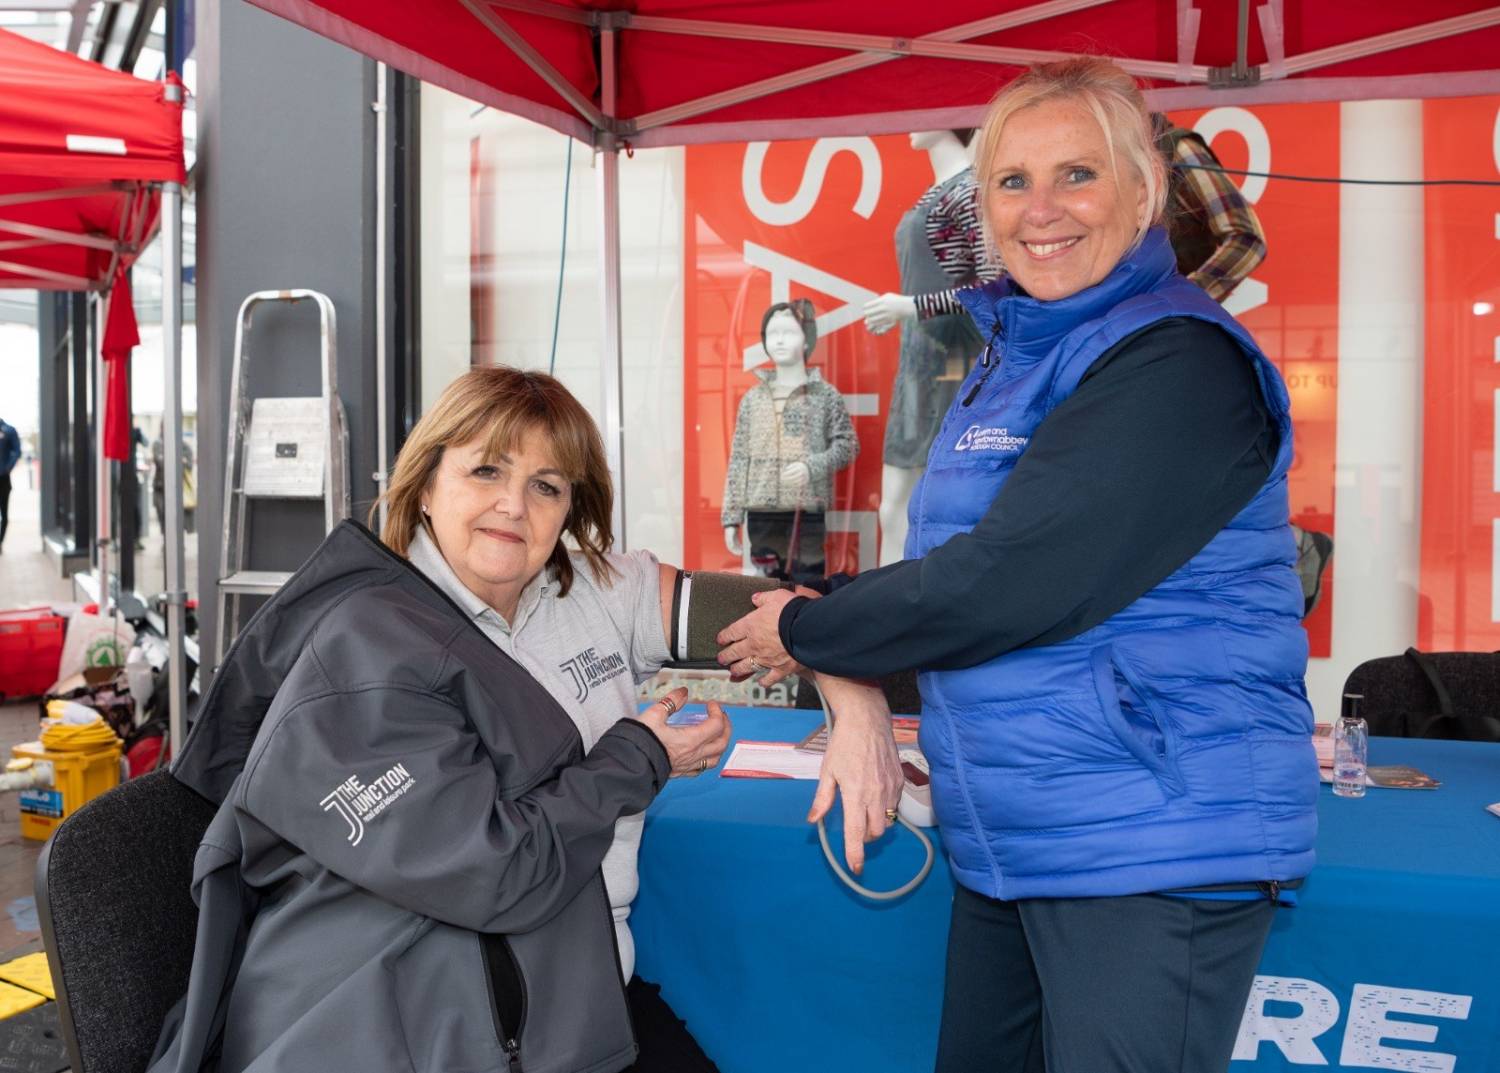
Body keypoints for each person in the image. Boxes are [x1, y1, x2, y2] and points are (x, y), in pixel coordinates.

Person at [718, 57, 1318, 1073]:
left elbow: (1010, 580)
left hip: (1146, 839)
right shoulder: (1015, 353)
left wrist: (810, 627)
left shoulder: (1176, 358)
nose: (1041, 209)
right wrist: (837, 638)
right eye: (1012, 180)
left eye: (1077, 173)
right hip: (1018, 829)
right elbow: (961, 566)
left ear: (1144, 194)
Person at [153, 367, 896, 1073]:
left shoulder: (595, 589)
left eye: (546, 485)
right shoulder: (367, 643)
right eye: (486, 471)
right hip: (445, 1026)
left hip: (578, 990)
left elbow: (785, 619)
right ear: (425, 482)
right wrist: (642, 756)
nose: (514, 504)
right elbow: (494, 870)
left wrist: (855, 701)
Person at [862, 130, 999, 565]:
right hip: (921, 360)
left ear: (947, 120)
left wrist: (910, 306)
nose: (909, 124)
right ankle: (886, 596)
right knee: (893, 505)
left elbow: (992, 286)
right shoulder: (939, 191)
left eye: (921, 112)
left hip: (955, 359)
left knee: (933, 502)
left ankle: (916, 594)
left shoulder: (970, 190)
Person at [722, 299, 858, 585]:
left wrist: (811, 466)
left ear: (807, 339)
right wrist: (731, 517)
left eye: (789, 332)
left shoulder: (825, 395)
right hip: (761, 513)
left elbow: (847, 445)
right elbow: (739, 459)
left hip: (806, 512)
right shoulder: (753, 399)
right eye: (773, 333)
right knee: (766, 588)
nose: (780, 340)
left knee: (808, 586)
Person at [0, 415, 19, 552]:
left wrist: (8, 467)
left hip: (3, 478)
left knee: (4, 513)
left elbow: (17, 451)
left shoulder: (9, 430)